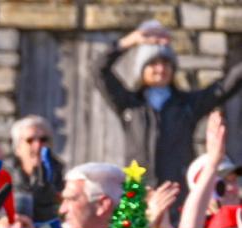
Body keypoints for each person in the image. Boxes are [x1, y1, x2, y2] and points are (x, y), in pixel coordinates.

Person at [96, 21, 242, 190]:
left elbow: (227, 85)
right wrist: (129, 41)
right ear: (141, 70)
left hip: (176, 192)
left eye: (165, 63)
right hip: (136, 192)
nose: (160, 69)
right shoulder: (130, 104)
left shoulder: (187, 105)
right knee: (131, 208)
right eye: (153, 63)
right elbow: (99, 70)